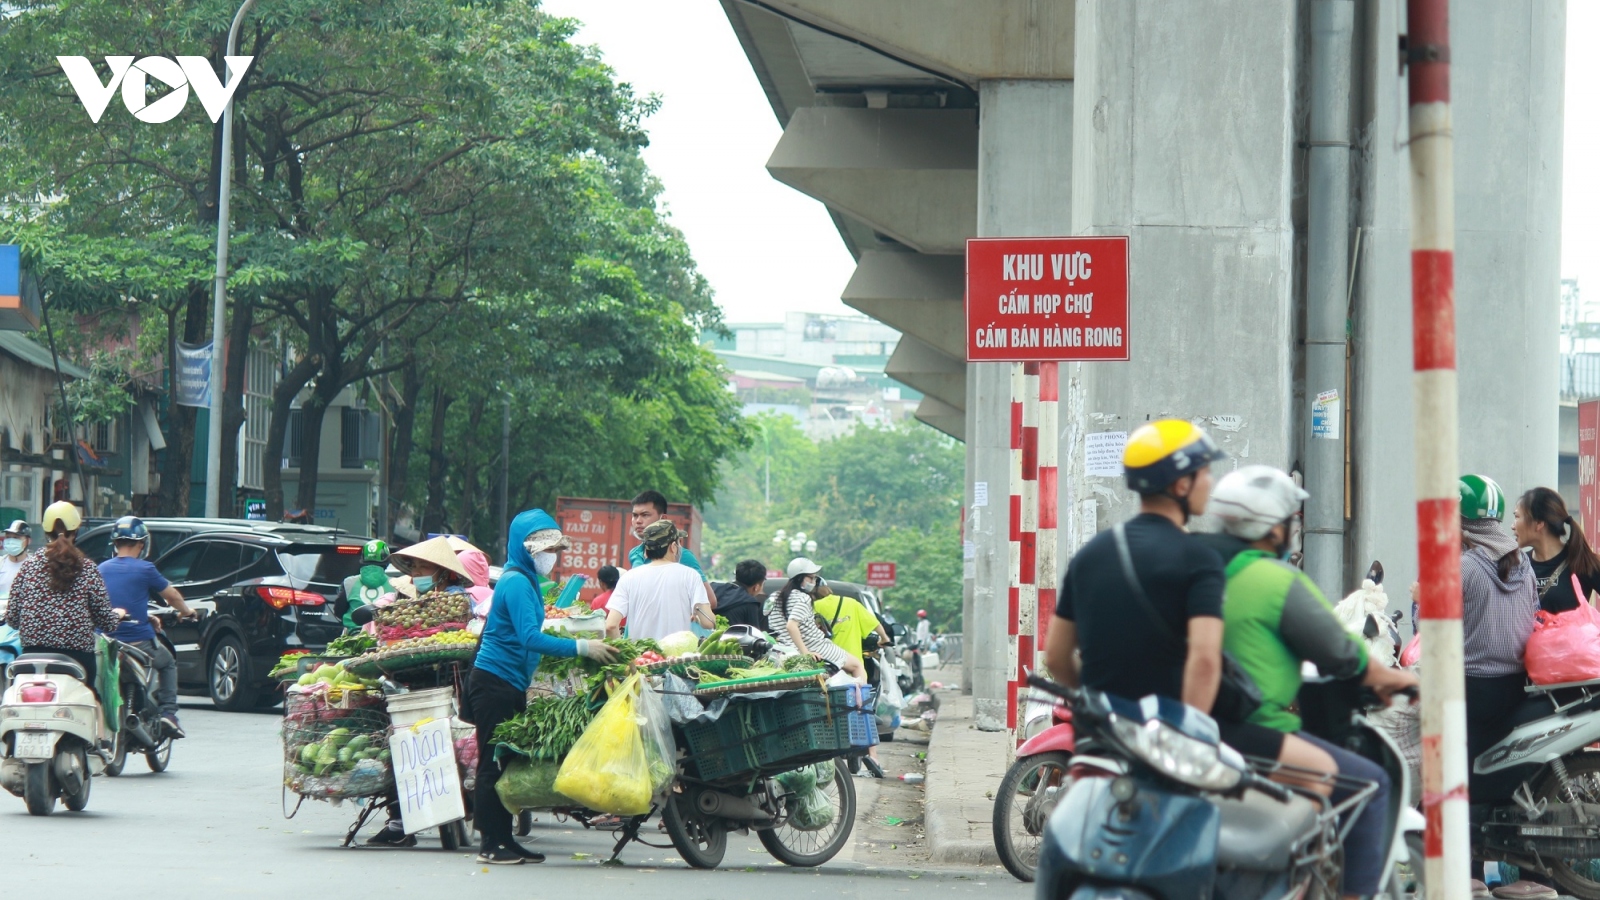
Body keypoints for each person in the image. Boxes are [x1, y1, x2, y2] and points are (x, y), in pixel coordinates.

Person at [1202, 466, 1417, 900]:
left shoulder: (1206, 574)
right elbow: (1343, 652)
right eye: (1289, 520)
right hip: (1256, 731)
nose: (1293, 530)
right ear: (1271, 527)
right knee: (1370, 785)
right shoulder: (1278, 581)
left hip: (1200, 729)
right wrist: (1396, 678)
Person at [1045, 419, 1229, 714]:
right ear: (1182, 484)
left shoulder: (1090, 554)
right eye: (1206, 472)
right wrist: (1187, 732)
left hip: (1099, 740)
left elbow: (1055, 656)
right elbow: (1205, 660)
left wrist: (1102, 702)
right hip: (1162, 744)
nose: (1211, 482)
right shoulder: (1199, 558)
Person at [470, 509, 617, 865]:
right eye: (542, 550)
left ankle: (504, 837)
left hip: (508, 682)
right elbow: (530, 637)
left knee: (504, 760)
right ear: (525, 549)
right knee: (493, 763)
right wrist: (583, 647)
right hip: (495, 682)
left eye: (552, 550)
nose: (550, 557)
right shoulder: (517, 582)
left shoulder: (526, 580)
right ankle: (490, 844)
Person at [98, 516, 197, 738]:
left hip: (104, 642)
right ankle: (168, 714)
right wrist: (187, 612)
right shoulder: (146, 569)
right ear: (141, 544)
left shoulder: (101, 568)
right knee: (168, 662)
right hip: (137, 643)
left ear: (115, 543)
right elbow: (171, 595)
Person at [4, 501, 120, 687]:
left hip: (31, 660)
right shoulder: (87, 568)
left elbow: (13, 619)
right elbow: (106, 621)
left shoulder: (29, 566)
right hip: (77, 661)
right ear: (76, 531)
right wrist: (118, 615)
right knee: (93, 703)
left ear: (45, 532)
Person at [604, 520, 714, 640]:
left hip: (640, 657)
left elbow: (610, 626)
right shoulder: (690, 575)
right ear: (673, 547)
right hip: (676, 658)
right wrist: (698, 616)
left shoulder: (628, 577)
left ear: (646, 551)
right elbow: (708, 622)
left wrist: (623, 654)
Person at [766, 558, 866, 680]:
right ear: (799, 578)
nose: (813, 581)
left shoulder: (775, 596)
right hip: (816, 646)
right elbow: (791, 626)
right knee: (857, 666)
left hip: (786, 649)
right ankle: (861, 698)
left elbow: (776, 625)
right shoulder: (803, 598)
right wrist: (805, 653)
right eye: (811, 578)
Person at [1512, 486, 1600, 613]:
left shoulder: (1582, 562)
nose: (1512, 526)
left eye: (1517, 517)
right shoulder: (1517, 565)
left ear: (1539, 523)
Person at [627, 490, 716, 610]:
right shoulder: (634, 554)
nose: (638, 521)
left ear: (662, 518)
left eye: (645, 515)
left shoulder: (682, 555)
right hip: (635, 628)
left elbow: (710, 601)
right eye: (635, 515)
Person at [340, 539, 394, 630]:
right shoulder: (396, 584)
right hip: (384, 636)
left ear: (362, 560)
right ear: (387, 562)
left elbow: (339, 611)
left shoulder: (349, 582)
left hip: (353, 636)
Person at [710, 559, 770, 630]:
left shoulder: (713, 588)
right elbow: (754, 635)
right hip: (732, 640)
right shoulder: (750, 603)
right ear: (756, 587)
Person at [0, 519, 31, 603]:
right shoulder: (1, 563)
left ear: (28, 541)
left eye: (16, 538)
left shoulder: (33, 567)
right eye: (8, 537)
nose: (11, 541)